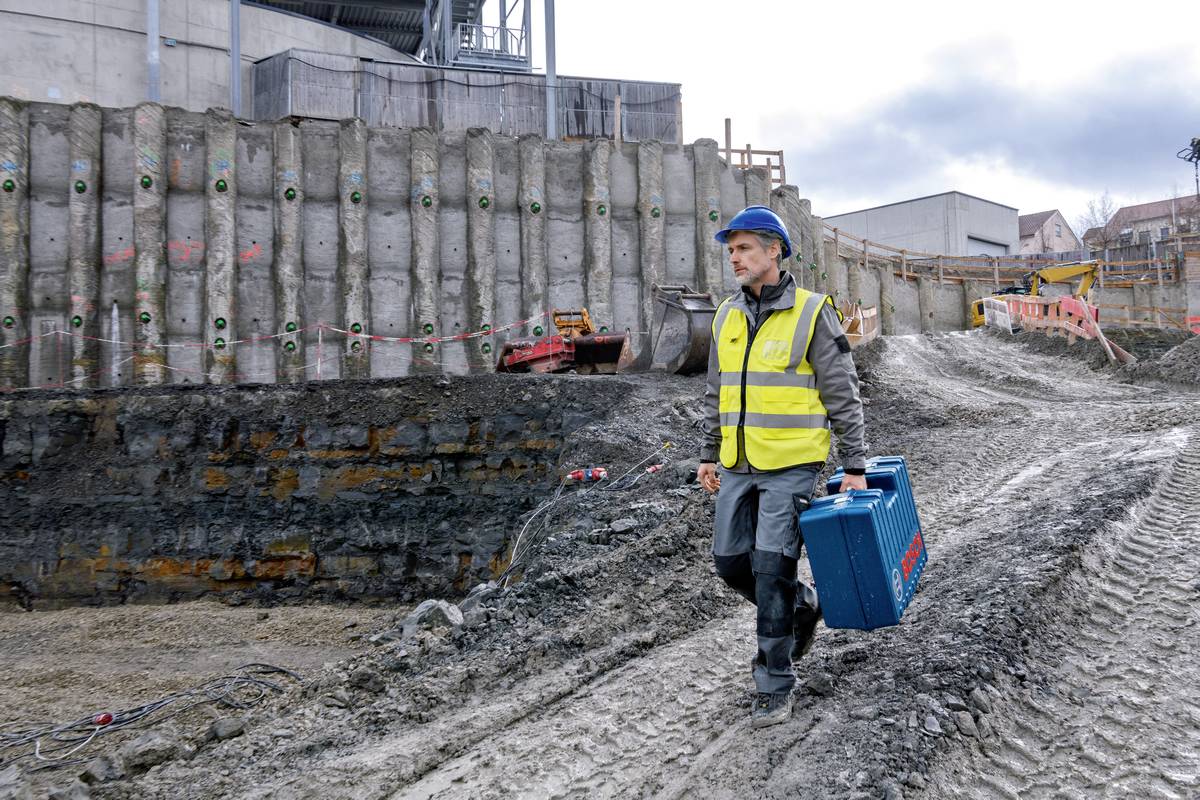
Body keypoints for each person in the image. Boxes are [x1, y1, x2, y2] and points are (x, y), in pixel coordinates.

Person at [697, 205, 867, 728]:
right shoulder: (726, 315)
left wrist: (854, 462)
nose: (735, 258)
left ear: (775, 250)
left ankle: (774, 681)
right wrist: (708, 452)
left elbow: (843, 392)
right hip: (737, 463)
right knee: (731, 565)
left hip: (793, 462)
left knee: (771, 569)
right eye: (731, 250)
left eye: (744, 248)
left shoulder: (813, 313)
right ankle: (802, 607)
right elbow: (716, 390)